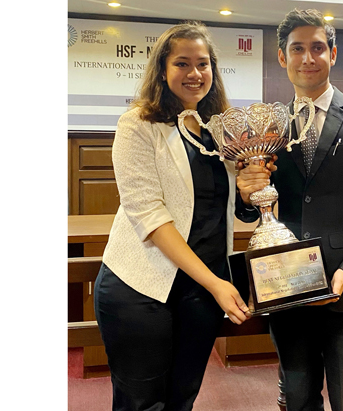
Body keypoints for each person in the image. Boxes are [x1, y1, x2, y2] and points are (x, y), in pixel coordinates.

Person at [237, 9, 343, 411]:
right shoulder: (269, 128)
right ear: (282, 57)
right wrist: (247, 195)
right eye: (297, 49)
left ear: (333, 53)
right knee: (297, 398)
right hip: (289, 287)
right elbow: (251, 212)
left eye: (318, 48)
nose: (308, 58)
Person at [94, 21, 251, 411]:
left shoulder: (219, 130)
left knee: (182, 398)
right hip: (142, 287)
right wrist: (215, 284)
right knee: (141, 403)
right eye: (182, 63)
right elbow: (150, 218)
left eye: (203, 64)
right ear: (162, 71)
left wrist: (249, 191)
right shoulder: (138, 125)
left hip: (200, 291)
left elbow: (232, 209)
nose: (194, 74)